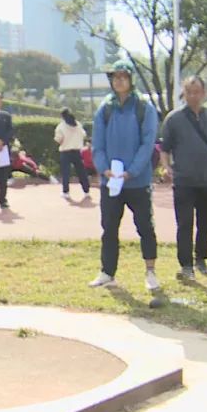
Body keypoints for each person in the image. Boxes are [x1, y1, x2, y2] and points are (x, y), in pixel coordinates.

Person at [88, 60, 160, 291]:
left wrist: (132, 171)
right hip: (111, 183)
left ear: (130, 79)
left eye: (123, 76)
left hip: (137, 181)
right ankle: (107, 272)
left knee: (145, 227)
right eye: (114, 77)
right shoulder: (105, 108)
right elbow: (97, 144)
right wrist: (104, 168)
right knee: (109, 227)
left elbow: (148, 143)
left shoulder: (143, 107)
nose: (118, 80)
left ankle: (150, 272)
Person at [160, 76, 207, 280]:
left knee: (206, 223)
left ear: (204, 93)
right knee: (185, 223)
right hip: (184, 181)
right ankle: (186, 265)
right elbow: (164, 148)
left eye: (197, 91)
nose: (193, 96)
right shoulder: (173, 119)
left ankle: (201, 259)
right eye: (189, 92)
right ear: (184, 93)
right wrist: (165, 167)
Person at [55, 108, 90, 199]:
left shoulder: (61, 126)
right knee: (81, 171)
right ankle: (86, 190)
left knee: (66, 172)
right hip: (77, 151)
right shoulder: (78, 124)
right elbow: (84, 135)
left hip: (65, 151)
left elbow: (59, 139)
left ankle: (66, 192)